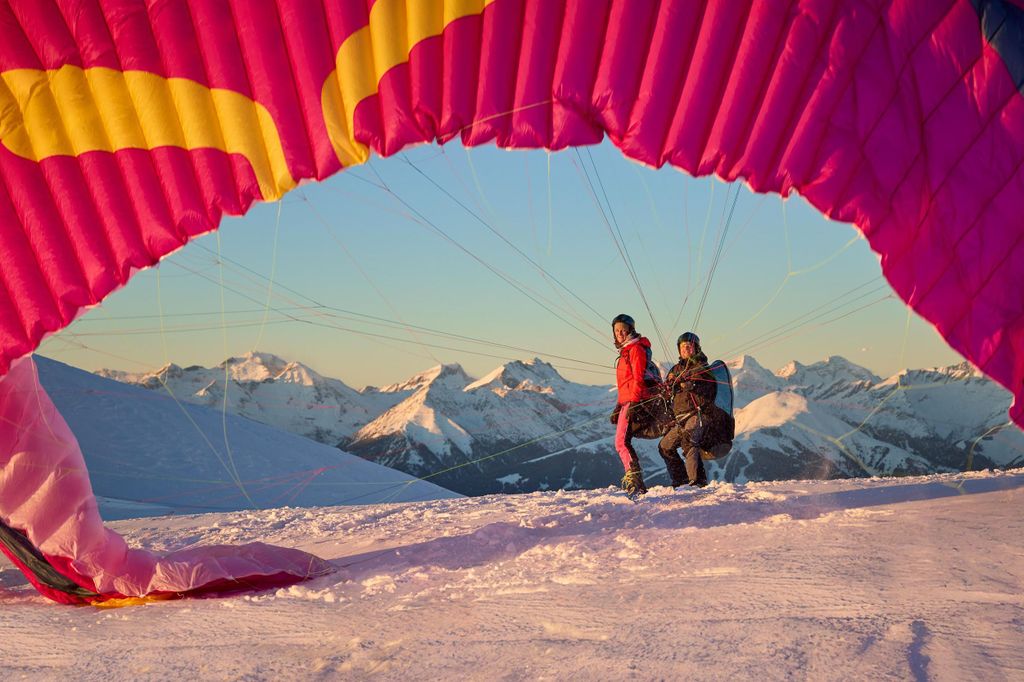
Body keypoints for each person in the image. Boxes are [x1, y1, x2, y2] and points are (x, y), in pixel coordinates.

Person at [610, 314, 660, 496]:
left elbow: (638, 378)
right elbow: (625, 385)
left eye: (623, 330)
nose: (620, 333)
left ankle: (634, 480)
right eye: (617, 331)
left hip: (635, 400)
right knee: (622, 441)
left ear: (630, 330)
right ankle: (636, 481)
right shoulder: (625, 352)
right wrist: (618, 406)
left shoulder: (635, 349)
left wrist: (635, 403)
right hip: (627, 401)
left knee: (621, 442)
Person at [659, 331, 716, 488]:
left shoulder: (702, 368)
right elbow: (667, 394)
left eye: (689, 347)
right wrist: (666, 389)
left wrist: (692, 386)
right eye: (683, 347)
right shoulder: (675, 370)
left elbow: (710, 388)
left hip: (698, 414)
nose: (686, 350)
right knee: (665, 446)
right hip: (680, 418)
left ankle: (697, 482)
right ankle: (681, 481)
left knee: (689, 441)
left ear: (696, 348)